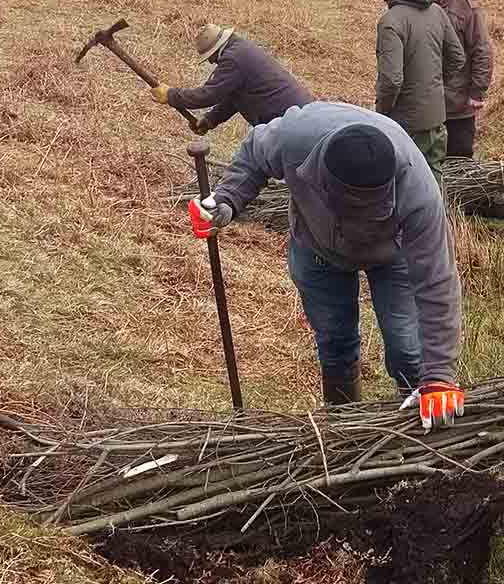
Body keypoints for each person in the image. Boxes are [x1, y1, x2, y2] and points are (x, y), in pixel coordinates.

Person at [191, 102, 465, 428]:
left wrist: (439, 379)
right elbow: (253, 155)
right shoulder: (296, 138)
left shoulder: (417, 190)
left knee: (407, 346)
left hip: (392, 255)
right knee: (335, 343)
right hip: (317, 246)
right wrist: (227, 199)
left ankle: (418, 420)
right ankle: (342, 430)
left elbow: (437, 283)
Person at [372, 0, 465, 181]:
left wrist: (382, 114)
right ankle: (443, 219)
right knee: (434, 183)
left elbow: (392, 80)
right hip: (436, 118)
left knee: (404, 184)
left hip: (405, 123)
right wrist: (432, 84)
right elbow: (457, 57)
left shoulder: (390, 21)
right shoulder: (436, 11)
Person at [151, 24, 316, 133]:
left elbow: (208, 95)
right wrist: (210, 120)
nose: (211, 61)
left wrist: (171, 95)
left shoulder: (234, 58)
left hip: (291, 122)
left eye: (210, 56)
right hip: (296, 118)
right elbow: (233, 97)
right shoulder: (240, 50)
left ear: (216, 49)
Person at [412, 0, 492, 161]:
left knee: (459, 158)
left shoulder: (465, 6)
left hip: (458, 103)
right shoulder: (419, 2)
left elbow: (481, 49)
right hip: (426, 100)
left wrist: (477, 91)